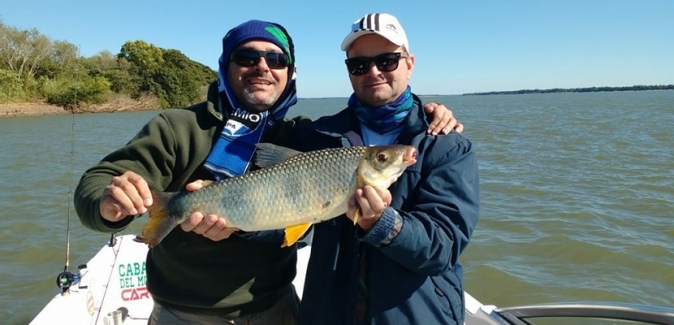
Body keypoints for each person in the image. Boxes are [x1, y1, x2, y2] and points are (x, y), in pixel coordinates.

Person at [74, 19, 462, 325]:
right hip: (185, 314)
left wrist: (428, 112)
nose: (262, 67)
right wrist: (109, 204)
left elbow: (309, 213)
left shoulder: (303, 134)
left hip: (277, 309)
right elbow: (99, 181)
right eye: (247, 57)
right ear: (225, 65)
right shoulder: (178, 127)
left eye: (276, 60)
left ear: (289, 74)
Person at [296, 13, 480, 325]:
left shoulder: (446, 145)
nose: (374, 72)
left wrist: (384, 224)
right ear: (349, 71)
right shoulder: (317, 136)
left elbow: (443, 246)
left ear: (410, 63)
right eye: (359, 65)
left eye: (387, 61)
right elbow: (282, 213)